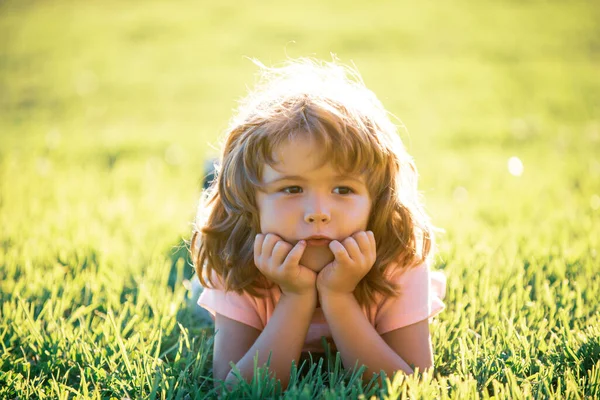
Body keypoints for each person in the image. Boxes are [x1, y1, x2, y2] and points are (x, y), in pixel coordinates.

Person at [190, 58, 446, 389]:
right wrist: (296, 297)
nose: (318, 212)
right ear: (252, 200)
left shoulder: (398, 257)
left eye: (343, 189)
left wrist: (338, 297)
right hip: (236, 252)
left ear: (378, 199)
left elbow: (411, 384)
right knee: (196, 289)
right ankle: (217, 175)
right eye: (292, 189)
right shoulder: (236, 257)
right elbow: (236, 389)